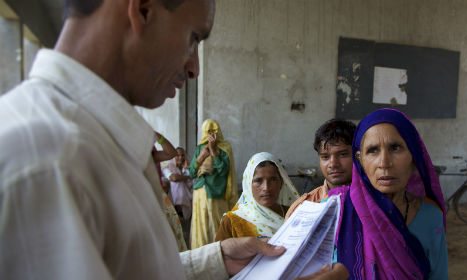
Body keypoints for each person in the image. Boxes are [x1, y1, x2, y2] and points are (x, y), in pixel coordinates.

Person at [0, 0, 347, 279]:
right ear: (142, 10)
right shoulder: (44, 159)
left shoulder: (87, 142)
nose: (194, 67)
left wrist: (214, 261)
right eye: (194, 38)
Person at [329, 108, 448, 279]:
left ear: (414, 157)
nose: (384, 163)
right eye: (372, 150)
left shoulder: (430, 218)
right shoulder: (336, 210)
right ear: (359, 159)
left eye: (395, 148)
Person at [216, 152, 299, 240]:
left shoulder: (294, 215)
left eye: (273, 180)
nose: (266, 188)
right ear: (248, 185)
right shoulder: (232, 222)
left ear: (281, 183)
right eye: (258, 181)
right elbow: (218, 253)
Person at [286, 119, 356, 219]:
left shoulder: (375, 201)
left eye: (343, 154)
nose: (333, 164)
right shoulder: (303, 208)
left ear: (358, 156)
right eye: (325, 157)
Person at [189, 119, 237, 248]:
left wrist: (214, 151)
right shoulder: (200, 148)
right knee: (201, 226)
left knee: (216, 225)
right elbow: (192, 172)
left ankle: (219, 252)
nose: (211, 135)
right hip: (200, 194)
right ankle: (200, 250)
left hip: (217, 194)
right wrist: (202, 156)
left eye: (214, 131)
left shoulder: (225, 149)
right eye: (208, 131)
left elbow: (224, 171)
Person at [164, 147, 194, 220]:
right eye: (177, 155)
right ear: (173, 156)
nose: (180, 158)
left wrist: (187, 169)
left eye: (182, 155)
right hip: (174, 199)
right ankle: (178, 209)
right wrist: (188, 177)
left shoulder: (189, 168)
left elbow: (194, 182)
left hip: (189, 199)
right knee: (177, 183)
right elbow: (174, 178)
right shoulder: (167, 168)